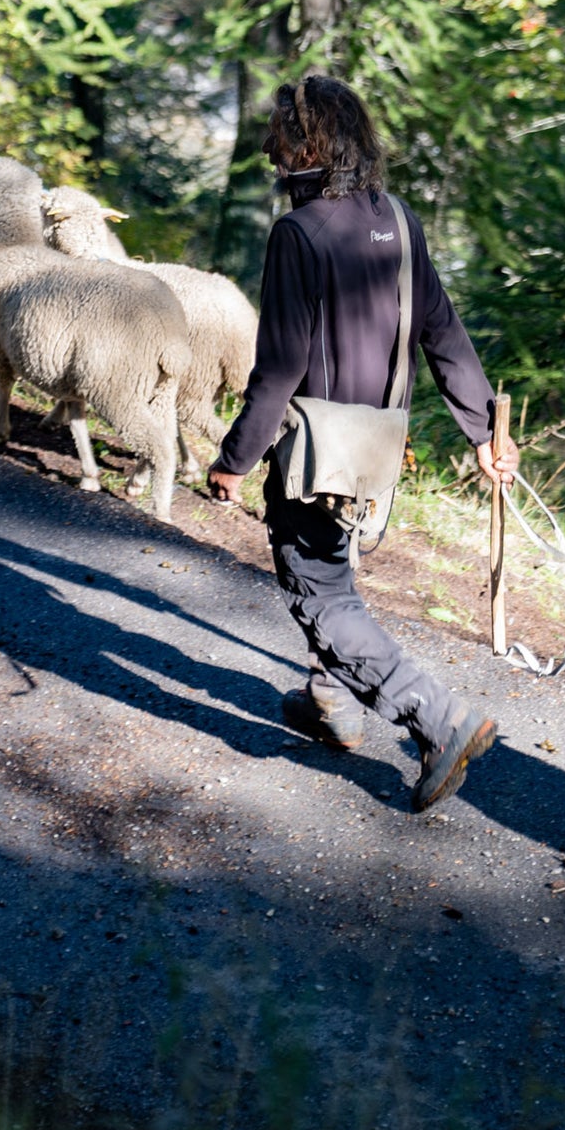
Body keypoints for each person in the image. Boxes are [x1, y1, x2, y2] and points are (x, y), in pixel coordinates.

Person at [207, 74, 520, 814]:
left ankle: (438, 720)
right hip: (378, 449)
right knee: (336, 572)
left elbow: (280, 366)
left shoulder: (299, 233)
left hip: (315, 452)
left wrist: (233, 458)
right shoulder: (399, 219)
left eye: (280, 137)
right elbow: (442, 331)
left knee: (318, 594)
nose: (268, 149)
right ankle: (329, 700)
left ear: (310, 144)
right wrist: (482, 432)